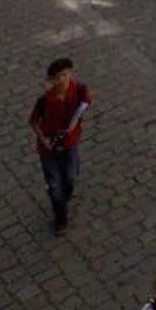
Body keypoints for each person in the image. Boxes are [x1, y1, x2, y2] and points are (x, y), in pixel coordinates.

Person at [28, 57, 91, 234]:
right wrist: (44, 140)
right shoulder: (45, 100)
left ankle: (64, 197)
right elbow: (33, 122)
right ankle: (60, 219)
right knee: (55, 188)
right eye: (57, 77)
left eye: (64, 75)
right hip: (49, 149)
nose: (62, 80)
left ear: (70, 73)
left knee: (70, 178)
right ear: (51, 80)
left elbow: (84, 106)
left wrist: (72, 127)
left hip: (70, 144)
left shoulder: (79, 90)